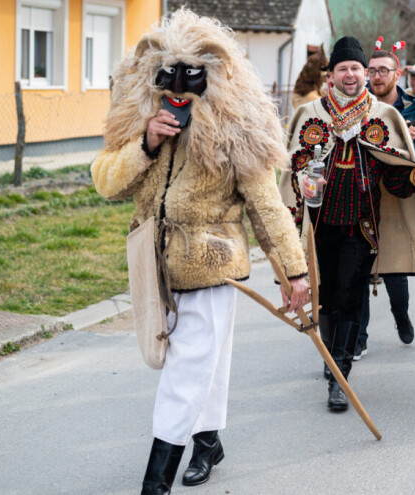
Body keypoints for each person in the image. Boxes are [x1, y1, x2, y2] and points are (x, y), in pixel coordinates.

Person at [90, 10, 310, 494]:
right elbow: (107, 183)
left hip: (213, 263)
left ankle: (156, 482)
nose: (178, 87)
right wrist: (145, 144)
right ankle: (208, 441)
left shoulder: (237, 132)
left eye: (191, 75)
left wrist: (294, 274)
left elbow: (267, 207)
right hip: (155, 265)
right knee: (191, 362)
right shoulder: (143, 123)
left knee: (187, 368)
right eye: (167, 75)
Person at [280, 37, 415, 412]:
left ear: (366, 74)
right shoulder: (309, 113)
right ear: (330, 76)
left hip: (361, 227)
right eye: (342, 68)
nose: (350, 75)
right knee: (326, 297)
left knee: (349, 295)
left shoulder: (383, 117)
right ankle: (332, 361)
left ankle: (339, 376)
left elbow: (396, 177)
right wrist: (303, 183)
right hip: (319, 226)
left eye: (356, 69)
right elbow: (290, 170)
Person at [355, 42, 415, 359]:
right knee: (360, 264)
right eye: (372, 70)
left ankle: (400, 315)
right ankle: (359, 336)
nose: (376, 76)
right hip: (361, 193)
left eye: (383, 70)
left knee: (395, 267)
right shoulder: (356, 106)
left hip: (397, 195)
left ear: (397, 74)